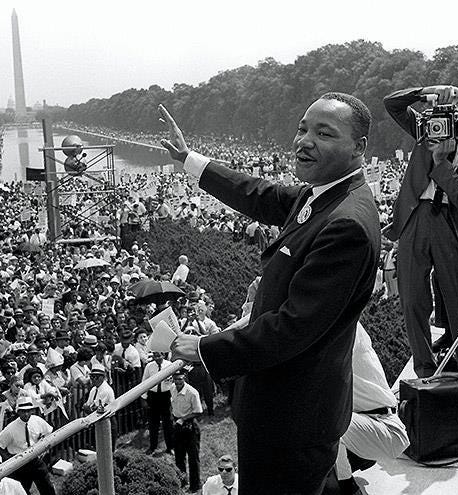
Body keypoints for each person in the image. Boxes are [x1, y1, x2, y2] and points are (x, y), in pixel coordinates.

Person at [161, 91, 380, 495]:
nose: (305, 140)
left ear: (359, 148)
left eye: (324, 132)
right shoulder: (324, 194)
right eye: (302, 128)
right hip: (285, 407)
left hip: (293, 418)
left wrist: (206, 347)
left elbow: (293, 328)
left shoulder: (346, 223)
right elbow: (258, 194)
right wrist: (189, 160)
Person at [383, 85, 458, 378]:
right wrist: (426, 91)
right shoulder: (429, 128)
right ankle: (424, 367)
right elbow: (392, 104)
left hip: (452, 222)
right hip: (415, 217)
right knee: (412, 298)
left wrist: (440, 163)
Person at [335, 322, 409, 494]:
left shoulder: (344, 331)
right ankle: (350, 461)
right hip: (364, 420)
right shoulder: (338, 320)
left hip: (385, 427)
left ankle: (348, 488)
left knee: (326, 421)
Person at [0, 397, 56, 495]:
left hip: (35, 460)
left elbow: (49, 432)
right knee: (22, 490)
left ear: (32, 410)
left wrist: (44, 448)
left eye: (28, 411)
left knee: (47, 486)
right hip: (20, 464)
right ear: (18, 412)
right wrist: (8, 458)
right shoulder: (11, 428)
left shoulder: (37, 420)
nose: (26, 414)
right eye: (23, 411)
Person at [170, 369, 203, 493]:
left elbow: (198, 412)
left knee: (193, 457)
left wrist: (183, 419)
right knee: (179, 456)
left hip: (190, 426)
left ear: (185, 378)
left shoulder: (192, 393)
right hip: (177, 425)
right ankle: (182, 482)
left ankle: (195, 486)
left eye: (180, 379)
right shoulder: (172, 388)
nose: (178, 382)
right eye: (176, 379)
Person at [141, 351, 174, 454]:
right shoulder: (149, 367)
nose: (157, 358)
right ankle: (152, 446)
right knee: (153, 423)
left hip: (166, 396)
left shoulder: (169, 365)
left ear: (163, 355)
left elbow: (173, 382)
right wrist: (144, 398)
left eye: (159, 355)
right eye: (155, 356)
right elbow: (144, 382)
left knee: (168, 423)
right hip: (153, 396)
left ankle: (170, 447)